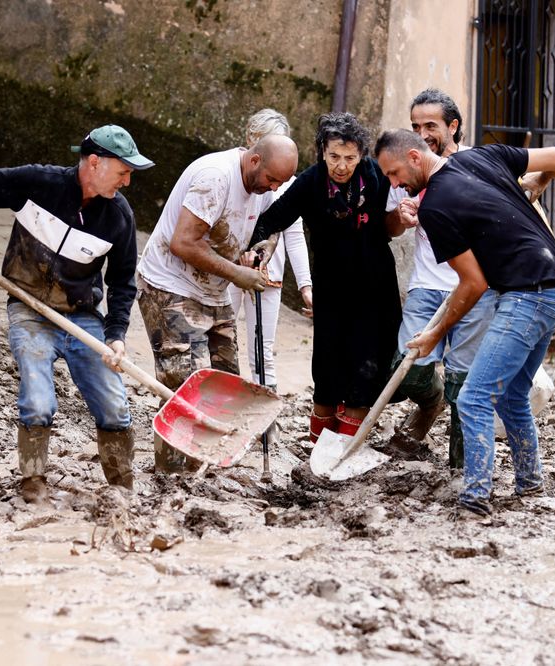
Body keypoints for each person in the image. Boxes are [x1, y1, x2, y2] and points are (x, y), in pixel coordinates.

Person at [375, 129, 555, 519]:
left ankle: (476, 496)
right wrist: (539, 180)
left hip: (528, 296)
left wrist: (435, 333)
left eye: (395, 173)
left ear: (415, 157)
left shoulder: (437, 208)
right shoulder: (484, 157)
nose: (395, 184)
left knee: (474, 397)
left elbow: (473, 283)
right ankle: (529, 482)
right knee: (513, 393)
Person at [0, 124, 153, 501]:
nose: (127, 182)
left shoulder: (119, 218)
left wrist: (116, 335)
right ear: (95, 163)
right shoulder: (38, 183)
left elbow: (123, 283)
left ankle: (122, 489)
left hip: (82, 317)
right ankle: (33, 483)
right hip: (28, 309)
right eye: (124, 171)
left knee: (114, 406)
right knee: (38, 400)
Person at [136, 133, 298, 473]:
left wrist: (262, 251)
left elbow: (273, 224)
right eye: (270, 180)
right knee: (184, 383)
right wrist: (238, 274)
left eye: (279, 184)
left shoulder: (265, 187)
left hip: (213, 290)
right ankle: (174, 473)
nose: (272, 188)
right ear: (254, 160)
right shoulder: (215, 177)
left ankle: (212, 462)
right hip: (170, 285)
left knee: (227, 380)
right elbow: (183, 242)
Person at [249, 112, 401, 443]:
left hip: (375, 288)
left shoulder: (376, 176)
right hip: (331, 289)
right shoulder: (310, 183)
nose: (341, 165)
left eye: (350, 157)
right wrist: (260, 249)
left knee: (368, 363)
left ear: (362, 154)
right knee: (328, 364)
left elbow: (402, 206)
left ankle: (345, 445)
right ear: (322, 151)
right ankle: (320, 444)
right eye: (334, 156)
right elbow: (270, 220)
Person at [377, 89, 497, 469]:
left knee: (464, 380)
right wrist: (402, 216)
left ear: (453, 126)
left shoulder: (476, 164)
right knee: (408, 367)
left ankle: (462, 467)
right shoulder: (408, 165)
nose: (422, 132)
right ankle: (434, 398)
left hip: (475, 287)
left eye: (431, 125)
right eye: (415, 125)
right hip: (427, 285)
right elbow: (389, 228)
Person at [225, 109, 314, 396]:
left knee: (262, 349)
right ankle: (224, 401)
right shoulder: (231, 171)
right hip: (231, 269)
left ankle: (265, 417)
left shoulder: (287, 182)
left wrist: (305, 285)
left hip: (268, 275)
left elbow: (295, 235)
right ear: (253, 140)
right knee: (221, 337)